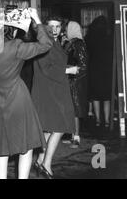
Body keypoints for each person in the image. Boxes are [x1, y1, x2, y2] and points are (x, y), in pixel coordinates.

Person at [0, 8, 53, 179]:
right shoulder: (16, 47)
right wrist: (36, 21)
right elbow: (46, 44)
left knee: (1, 148)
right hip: (17, 97)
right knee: (25, 146)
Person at [31, 16, 76, 179]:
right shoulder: (44, 43)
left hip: (56, 89)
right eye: (51, 26)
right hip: (48, 91)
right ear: (45, 27)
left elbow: (55, 63)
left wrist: (66, 68)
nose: (55, 29)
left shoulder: (54, 42)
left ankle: (41, 159)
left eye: (58, 26)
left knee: (51, 128)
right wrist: (67, 71)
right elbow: (47, 68)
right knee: (59, 127)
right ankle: (46, 164)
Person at [64, 21, 88, 147]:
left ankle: (76, 137)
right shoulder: (73, 43)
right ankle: (73, 135)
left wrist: (72, 72)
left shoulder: (77, 44)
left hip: (75, 80)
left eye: (67, 28)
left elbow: (83, 65)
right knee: (72, 109)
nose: (65, 30)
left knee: (75, 110)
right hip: (73, 79)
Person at [85, 16, 113, 128]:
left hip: (94, 68)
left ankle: (97, 120)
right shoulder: (109, 37)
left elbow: (88, 53)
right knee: (107, 97)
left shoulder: (90, 37)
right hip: (106, 69)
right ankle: (106, 120)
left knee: (95, 96)